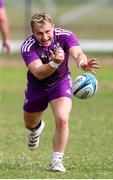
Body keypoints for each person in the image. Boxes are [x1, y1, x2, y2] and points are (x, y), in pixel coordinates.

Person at [21, 12, 100, 173]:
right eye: (39, 33)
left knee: (62, 119)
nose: (44, 37)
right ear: (33, 32)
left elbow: (77, 52)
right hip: (37, 87)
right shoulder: (28, 46)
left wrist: (82, 63)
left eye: (47, 32)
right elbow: (38, 73)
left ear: (53, 28)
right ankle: (37, 129)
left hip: (60, 83)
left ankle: (56, 161)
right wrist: (55, 63)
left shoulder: (65, 36)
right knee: (30, 124)